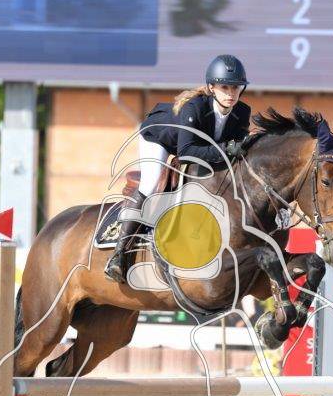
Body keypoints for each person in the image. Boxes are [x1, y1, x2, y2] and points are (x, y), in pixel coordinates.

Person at [105, 54, 252, 283]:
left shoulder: (242, 112)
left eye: (235, 88)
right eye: (225, 87)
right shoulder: (195, 107)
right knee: (151, 183)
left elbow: (236, 152)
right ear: (211, 87)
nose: (231, 93)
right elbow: (187, 152)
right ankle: (119, 254)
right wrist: (226, 149)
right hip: (159, 138)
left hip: (196, 146)